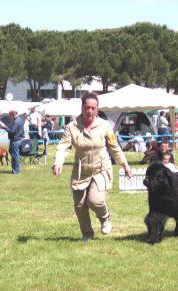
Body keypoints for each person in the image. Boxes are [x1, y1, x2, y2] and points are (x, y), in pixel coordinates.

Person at [52, 92, 133, 241]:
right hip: (81, 171)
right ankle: (87, 234)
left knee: (95, 200)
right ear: (82, 108)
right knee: (80, 205)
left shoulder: (104, 125)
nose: (90, 111)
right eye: (87, 107)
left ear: (97, 110)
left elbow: (114, 147)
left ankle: (105, 217)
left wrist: (125, 165)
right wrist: (58, 162)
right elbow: (63, 147)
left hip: (100, 169)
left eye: (93, 108)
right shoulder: (72, 127)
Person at [0, 109, 25, 174]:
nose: (10, 117)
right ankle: (14, 169)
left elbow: (12, 131)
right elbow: (14, 129)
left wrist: (4, 127)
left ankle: (16, 170)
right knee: (15, 156)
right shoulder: (20, 120)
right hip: (19, 140)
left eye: (10, 115)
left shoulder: (16, 122)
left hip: (15, 141)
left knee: (15, 156)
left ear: (12, 114)